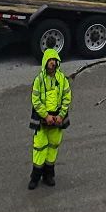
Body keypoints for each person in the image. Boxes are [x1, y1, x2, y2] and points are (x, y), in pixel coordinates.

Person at [28, 47, 73, 189]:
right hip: (43, 120)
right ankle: (35, 178)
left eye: (54, 60)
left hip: (57, 120)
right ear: (45, 62)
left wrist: (60, 116)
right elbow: (35, 100)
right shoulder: (39, 80)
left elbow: (67, 97)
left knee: (53, 148)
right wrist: (46, 115)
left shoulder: (62, 79)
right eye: (50, 60)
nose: (53, 63)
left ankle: (49, 176)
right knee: (39, 148)